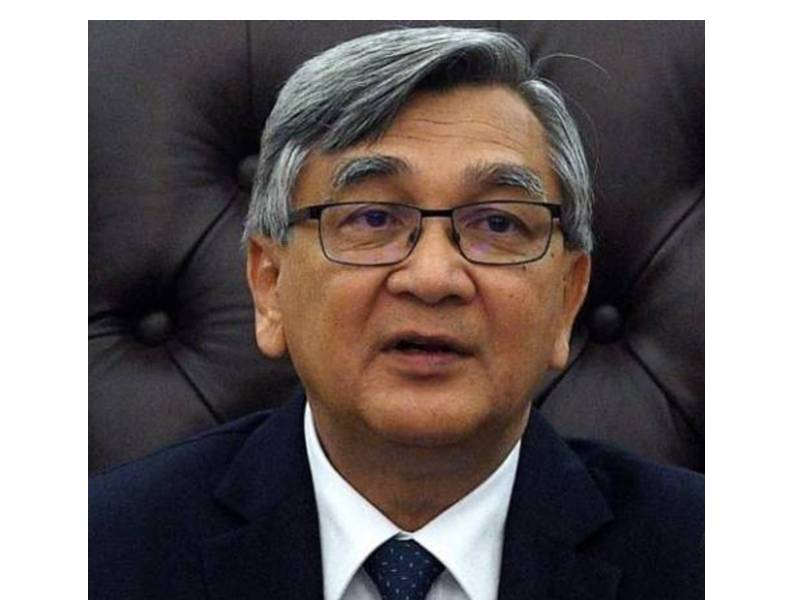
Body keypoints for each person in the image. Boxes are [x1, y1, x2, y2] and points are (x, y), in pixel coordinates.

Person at [89, 27, 703, 600]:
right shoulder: (101, 552)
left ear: (567, 299)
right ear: (270, 285)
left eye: (497, 223)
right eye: (373, 218)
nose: (433, 278)